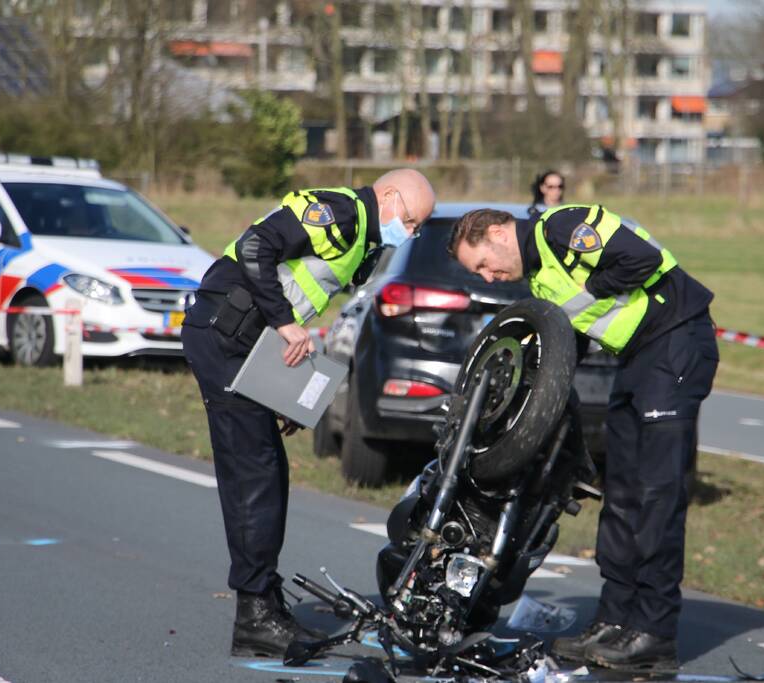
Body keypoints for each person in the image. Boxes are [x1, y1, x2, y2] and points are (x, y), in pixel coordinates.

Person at [447, 205, 718, 675]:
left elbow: (642, 261)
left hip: (675, 342)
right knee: (622, 496)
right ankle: (613, 621)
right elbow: (570, 342)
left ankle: (653, 633)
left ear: (497, 233)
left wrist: (589, 293)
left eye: (484, 264)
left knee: (656, 496)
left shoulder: (564, 227)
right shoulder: (540, 283)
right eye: (479, 274)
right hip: (636, 358)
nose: (488, 278)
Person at [181, 169, 435, 658]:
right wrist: (283, 323)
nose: (411, 232)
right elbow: (255, 247)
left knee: (269, 474)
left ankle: (263, 600)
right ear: (388, 196)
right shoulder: (339, 212)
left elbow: (293, 297)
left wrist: (286, 390)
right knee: (254, 477)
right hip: (224, 335)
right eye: (410, 219)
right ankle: (254, 615)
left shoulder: (363, 240)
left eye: (418, 226)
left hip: (247, 344)